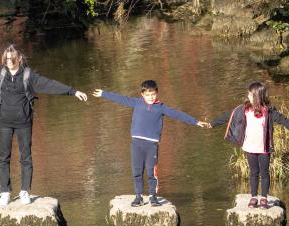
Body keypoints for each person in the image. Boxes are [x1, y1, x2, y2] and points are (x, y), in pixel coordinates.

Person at [0, 44, 87, 205]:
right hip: (4, 122)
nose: (9, 61)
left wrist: (73, 91)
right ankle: (5, 191)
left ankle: (25, 191)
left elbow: (49, 84)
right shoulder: (0, 75)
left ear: (19, 59)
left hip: (24, 122)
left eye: (12, 58)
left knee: (26, 157)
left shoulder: (28, 76)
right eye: (7, 59)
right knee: (3, 158)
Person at [92, 80, 210, 207]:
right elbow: (121, 99)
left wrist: (196, 122)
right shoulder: (137, 103)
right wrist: (104, 93)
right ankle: (139, 197)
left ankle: (153, 197)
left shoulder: (161, 107)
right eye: (148, 95)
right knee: (137, 171)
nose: (151, 97)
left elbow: (178, 114)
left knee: (151, 172)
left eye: (153, 94)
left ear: (157, 93)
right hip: (136, 143)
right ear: (142, 94)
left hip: (151, 145)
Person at [210, 81, 289, 209]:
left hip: (264, 148)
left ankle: (263, 197)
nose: (248, 96)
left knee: (264, 172)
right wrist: (212, 124)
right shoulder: (244, 109)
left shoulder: (269, 111)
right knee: (253, 172)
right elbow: (227, 116)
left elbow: (283, 120)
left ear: (258, 96)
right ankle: (253, 197)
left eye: (250, 94)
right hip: (249, 147)